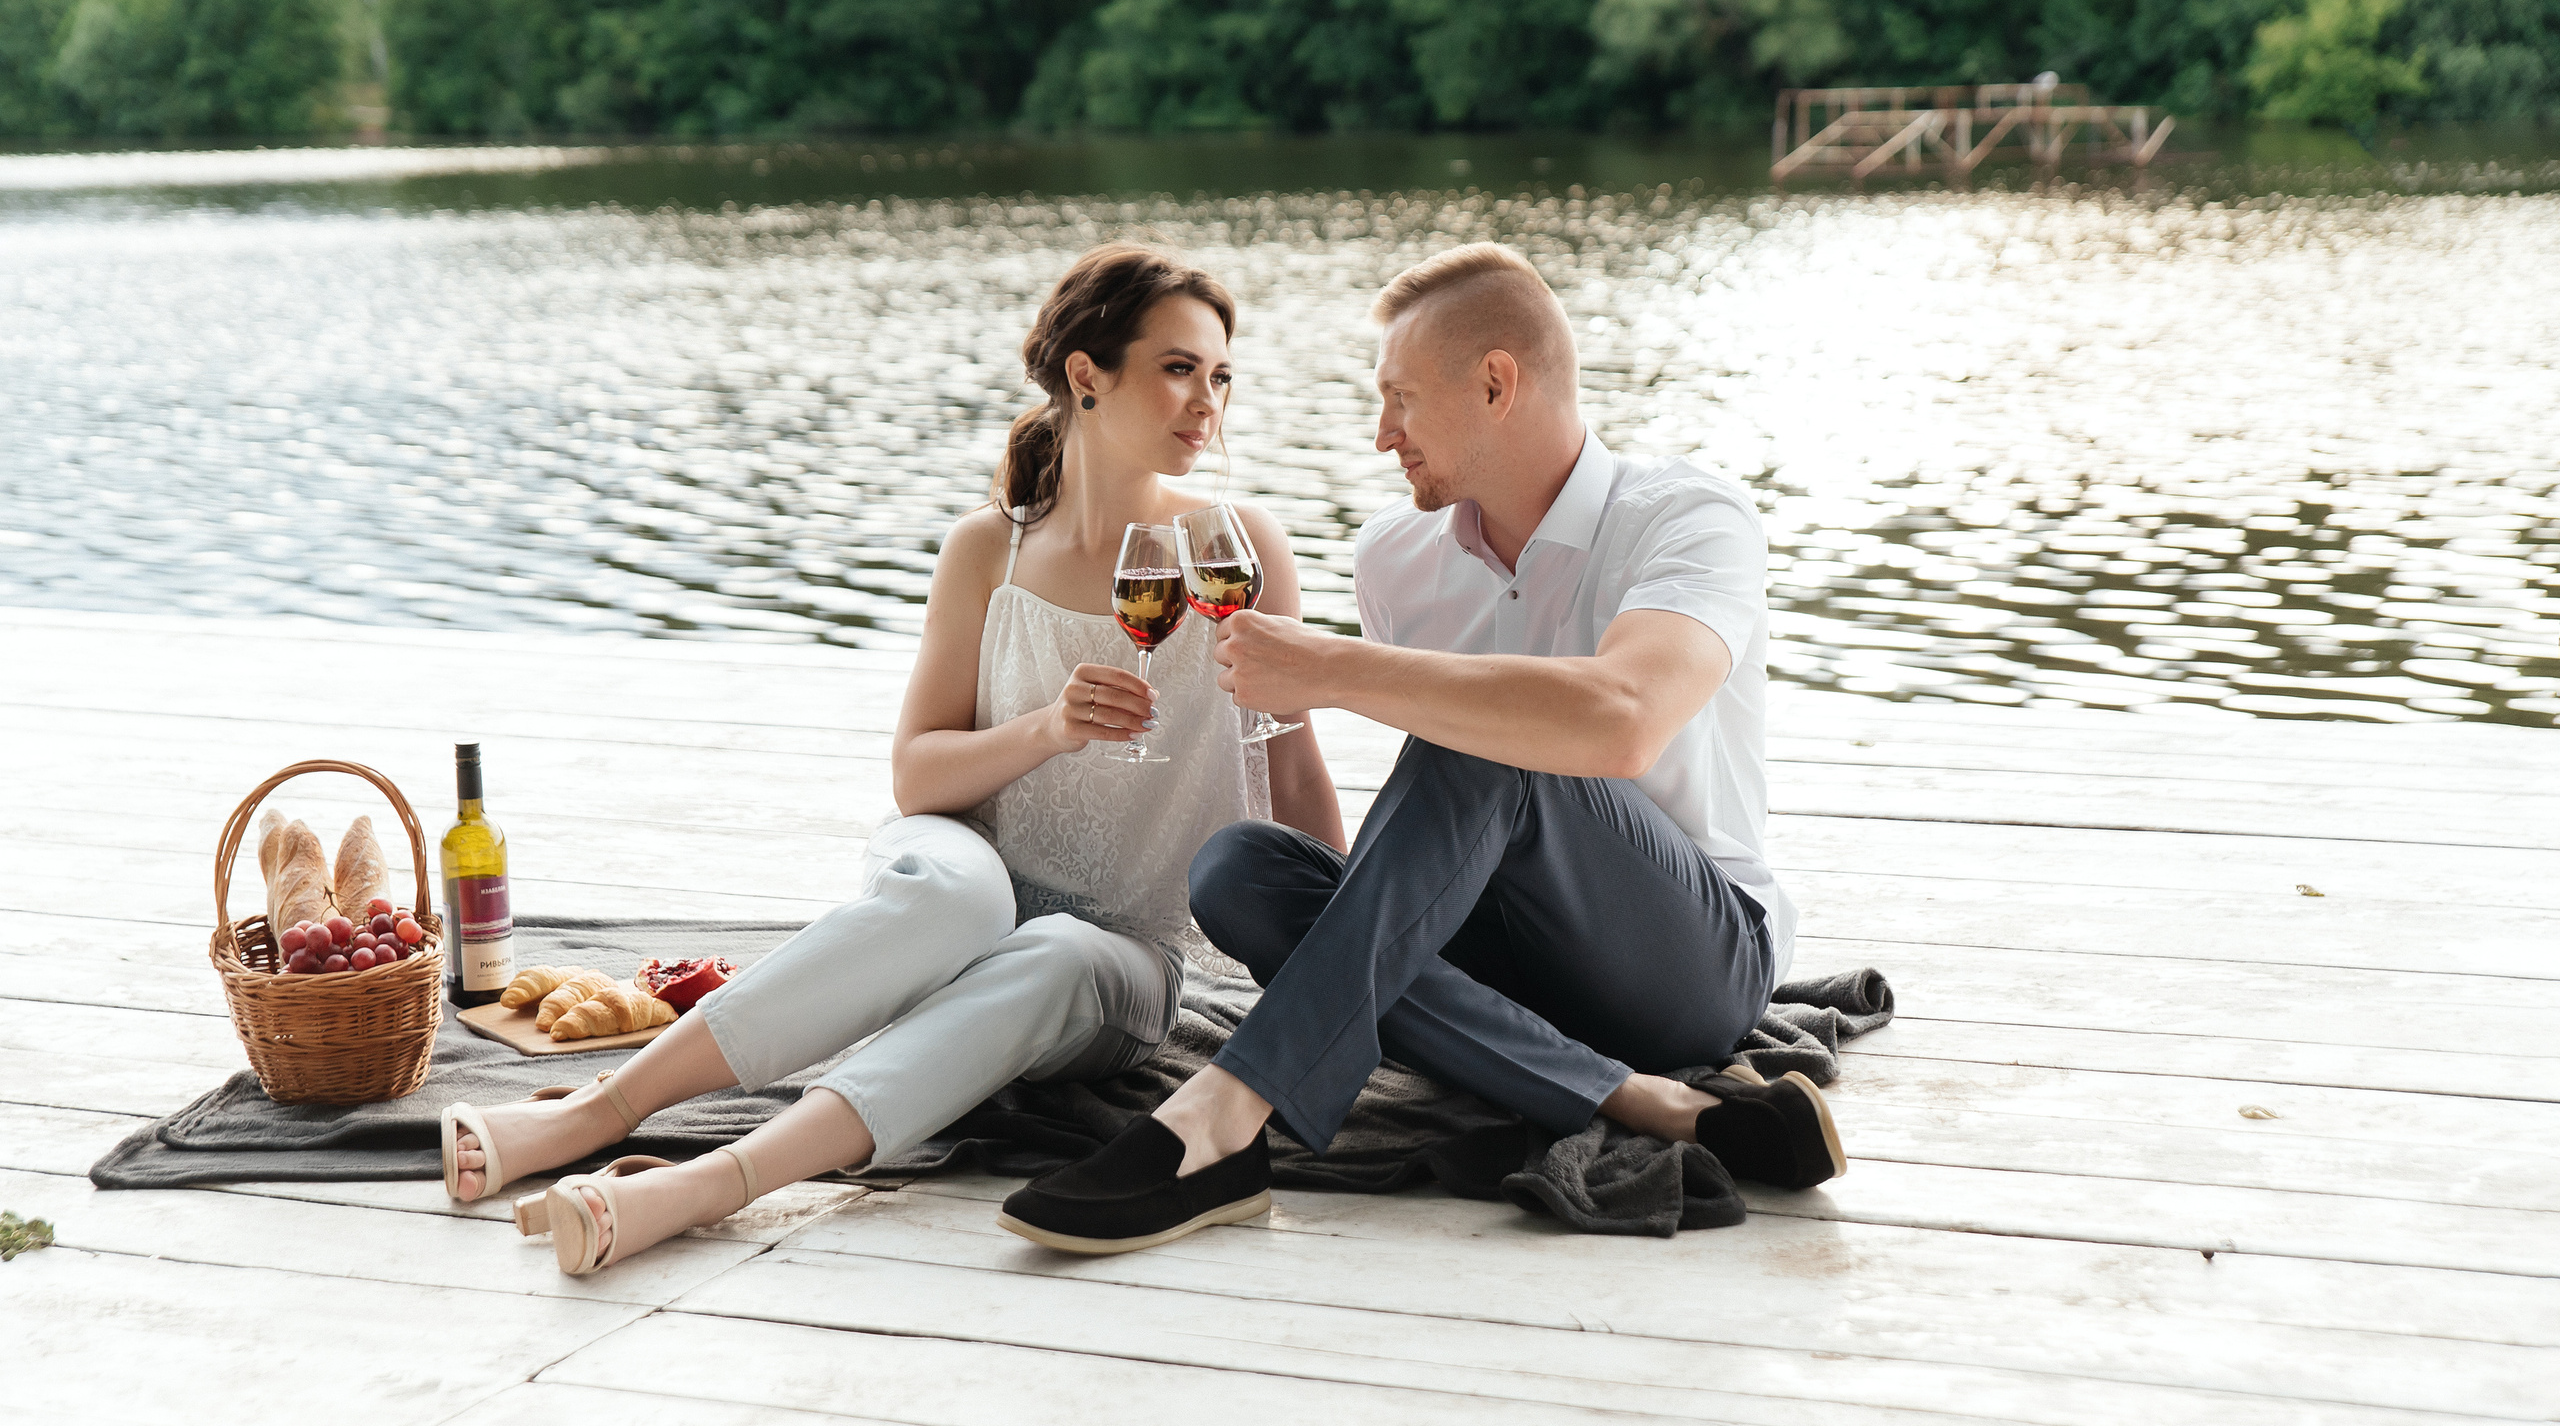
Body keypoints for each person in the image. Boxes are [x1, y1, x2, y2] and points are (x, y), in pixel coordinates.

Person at [442, 243, 1343, 1274]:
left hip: (1120, 957)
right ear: (1086, 374)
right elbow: (918, 775)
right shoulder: (988, 549)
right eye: (1179, 368)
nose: (1208, 402)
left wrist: (1348, 962)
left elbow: (1292, 765)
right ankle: (594, 1111)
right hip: (965, 882)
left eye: (1221, 375)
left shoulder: (1239, 545)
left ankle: (712, 1180)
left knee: (1057, 951)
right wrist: (1047, 728)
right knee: (962, 898)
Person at [998, 242, 1841, 1256]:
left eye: (1400, 399)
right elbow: (1438, 831)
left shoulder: (1689, 517)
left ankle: (1222, 1114)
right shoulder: (1396, 557)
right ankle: (1640, 1099)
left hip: (1688, 958)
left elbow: (1621, 718)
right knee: (1239, 868)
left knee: (1487, 737)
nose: (1381, 432)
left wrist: (1333, 666)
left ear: (1495, 383)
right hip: (1499, 952)